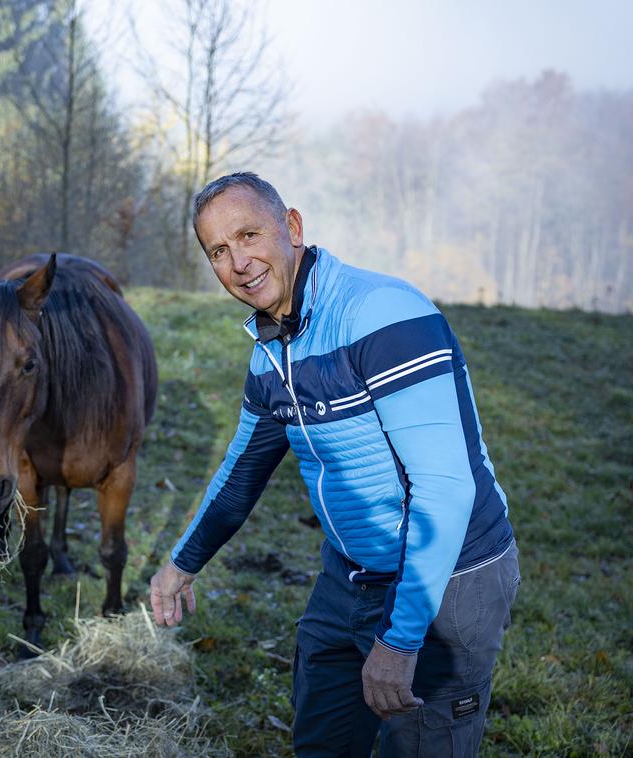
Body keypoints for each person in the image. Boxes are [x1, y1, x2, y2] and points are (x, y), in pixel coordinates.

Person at [148, 173, 519, 757]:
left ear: (291, 227)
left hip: (447, 581)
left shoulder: (382, 315)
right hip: (350, 576)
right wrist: (181, 564)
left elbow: (445, 489)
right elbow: (243, 469)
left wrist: (400, 640)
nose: (239, 262)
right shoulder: (273, 350)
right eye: (218, 251)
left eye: (248, 235)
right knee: (322, 742)